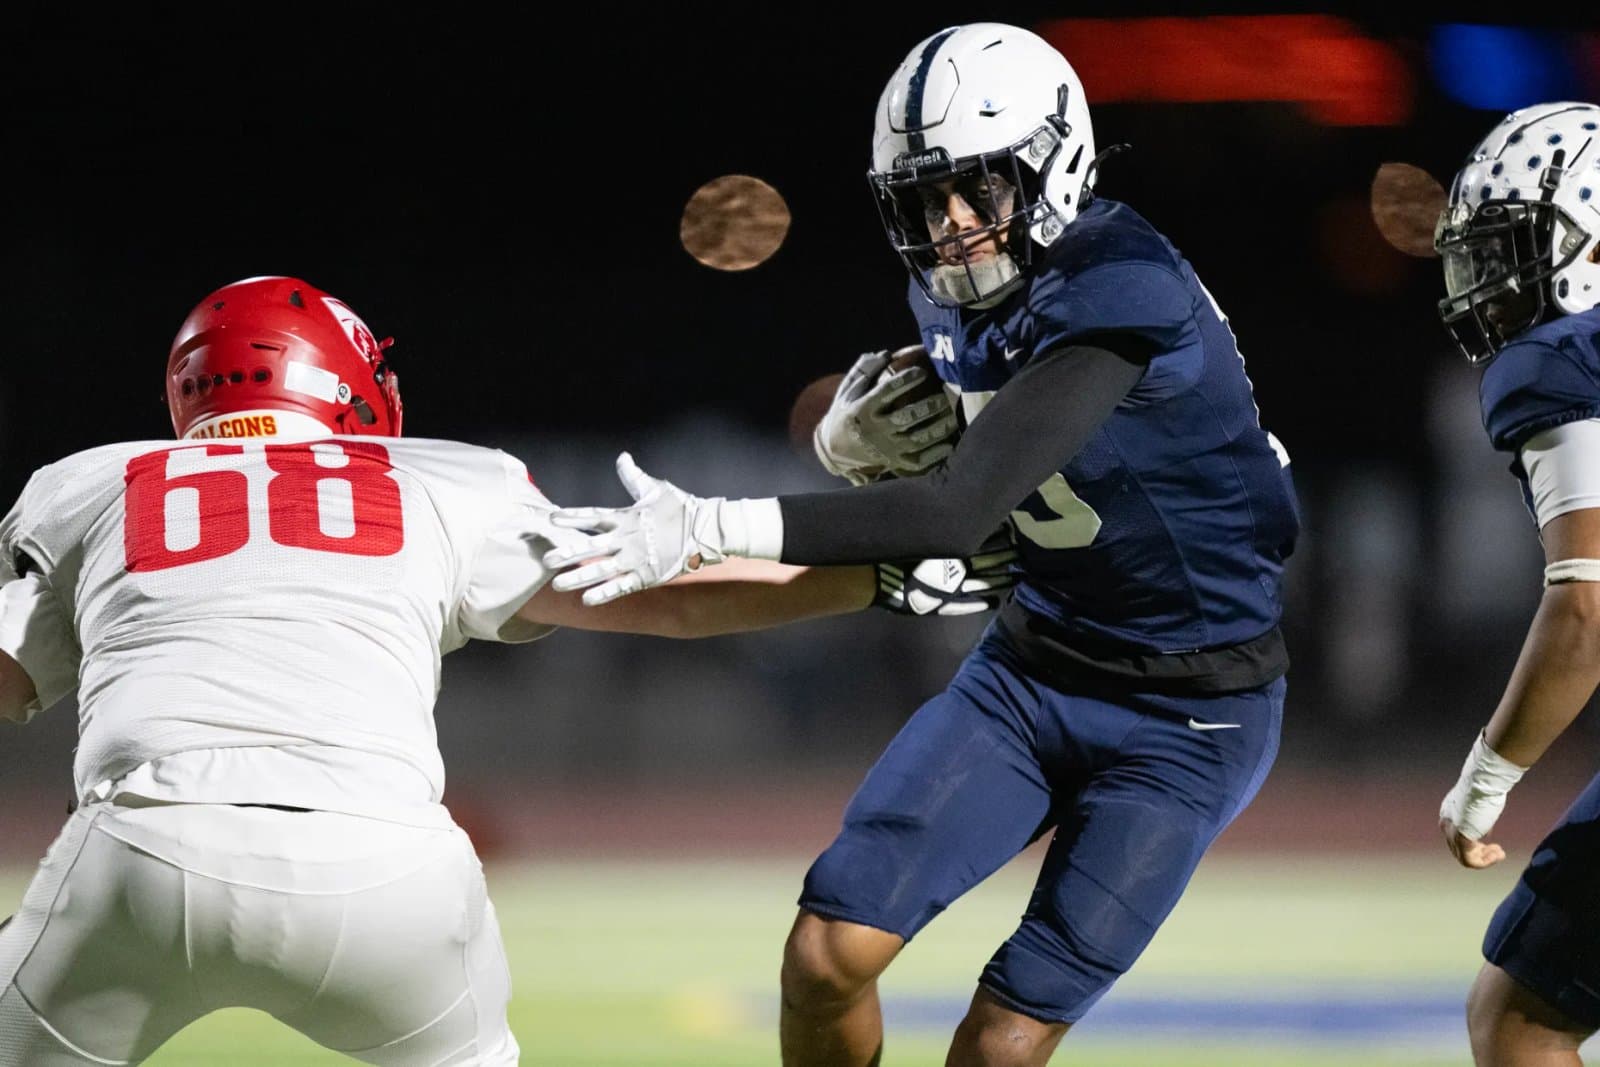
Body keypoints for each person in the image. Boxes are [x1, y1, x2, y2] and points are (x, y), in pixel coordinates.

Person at [0, 274, 1014, 1066]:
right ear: (345, 382)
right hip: (384, 870)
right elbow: (665, 591)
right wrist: (875, 577)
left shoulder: (91, 483)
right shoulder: (440, 479)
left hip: (141, 852)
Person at [543, 22, 1300, 1067]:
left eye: (974, 190)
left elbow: (954, 507)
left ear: (1051, 161)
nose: (947, 226)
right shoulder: (957, 290)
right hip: (1035, 665)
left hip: (1188, 714)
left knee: (999, 1041)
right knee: (822, 955)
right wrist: (856, 446)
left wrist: (712, 521)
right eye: (921, 199)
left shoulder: (1122, 281)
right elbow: (980, 452)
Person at [1433, 100, 1600, 1067]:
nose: (1488, 283)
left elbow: (1585, 602)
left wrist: (1486, 777)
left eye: (1511, 249)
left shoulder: (1560, 356)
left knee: (1520, 1017)